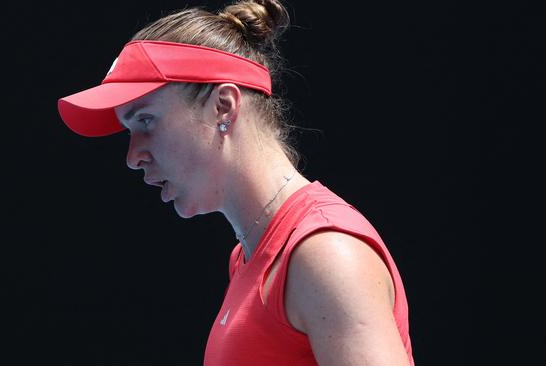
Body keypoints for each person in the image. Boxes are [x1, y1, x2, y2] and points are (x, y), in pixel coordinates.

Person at [57, 1, 414, 364]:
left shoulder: (323, 253)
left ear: (224, 106)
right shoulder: (251, 255)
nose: (133, 157)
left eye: (146, 120)